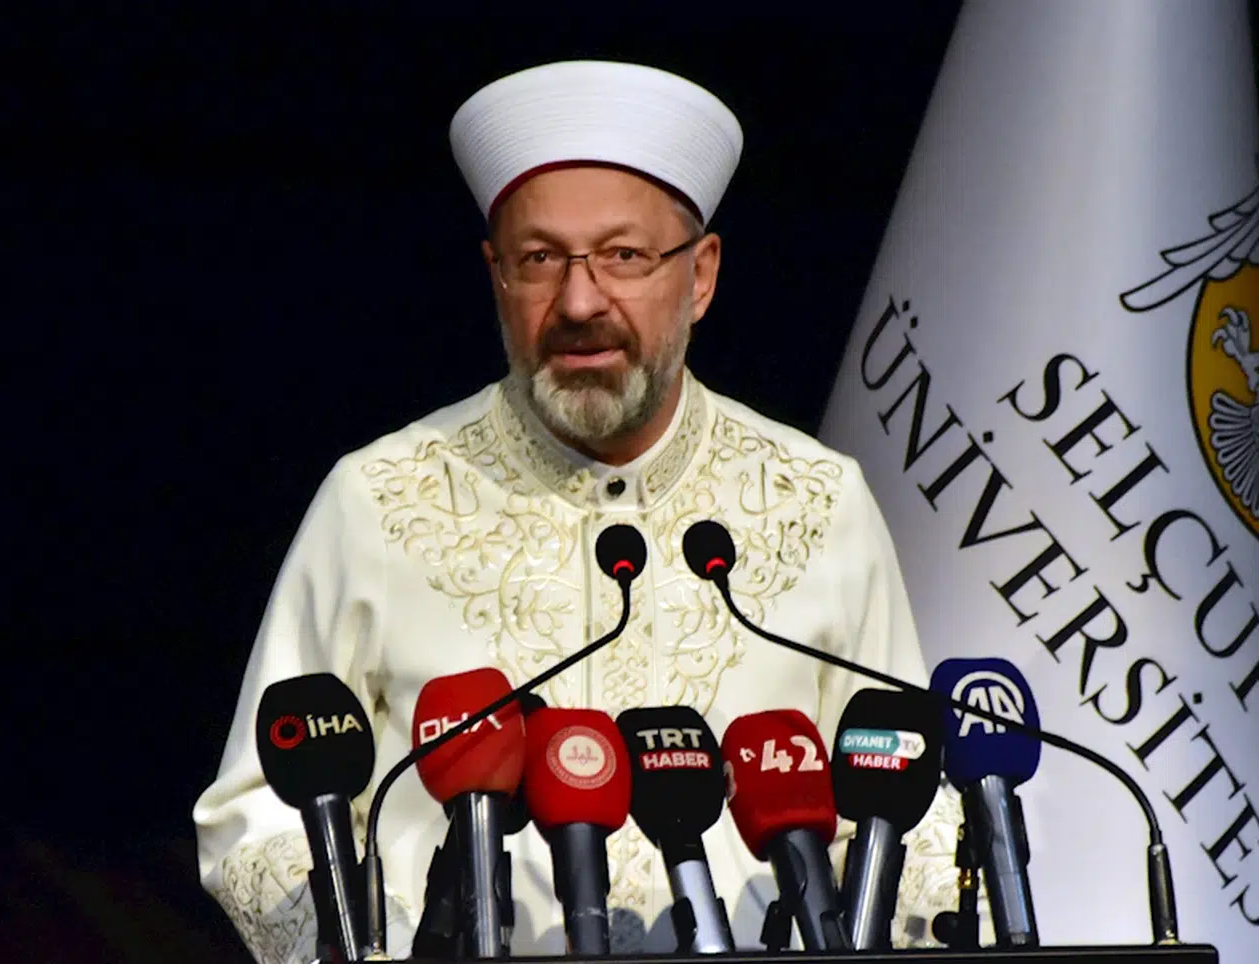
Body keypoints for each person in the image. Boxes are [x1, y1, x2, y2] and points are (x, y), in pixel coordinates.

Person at [194, 59, 968, 964]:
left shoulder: (817, 498)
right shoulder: (380, 497)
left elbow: (911, 805)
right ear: (496, 276)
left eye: (624, 256)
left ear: (701, 275)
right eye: (539, 260)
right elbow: (257, 812)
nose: (579, 300)